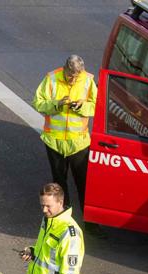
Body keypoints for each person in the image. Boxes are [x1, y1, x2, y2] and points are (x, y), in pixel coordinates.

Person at [32, 55, 97, 216]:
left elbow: (97, 106)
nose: (73, 80)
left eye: (76, 77)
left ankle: (90, 223)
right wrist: (57, 104)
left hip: (78, 143)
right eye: (70, 76)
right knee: (59, 184)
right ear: (65, 69)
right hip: (55, 141)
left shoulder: (88, 80)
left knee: (83, 183)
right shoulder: (52, 78)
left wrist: (82, 106)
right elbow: (38, 103)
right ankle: (63, 217)